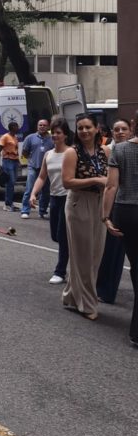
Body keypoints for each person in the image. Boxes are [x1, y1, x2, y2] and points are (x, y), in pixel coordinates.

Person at [61, 113, 108, 320]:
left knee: (95, 254)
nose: (84, 131)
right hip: (79, 203)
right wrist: (96, 180)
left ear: (97, 129)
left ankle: (71, 295)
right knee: (83, 256)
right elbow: (67, 182)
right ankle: (87, 304)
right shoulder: (72, 152)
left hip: (100, 203)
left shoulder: (105, 151)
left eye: (88, 127)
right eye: (80, 127)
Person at [102, 119, 138, 348]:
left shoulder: (121, 149)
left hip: (127, 211)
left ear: (134, 125)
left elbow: (111, 186)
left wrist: (105, 216)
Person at [30, 116, 71, 284]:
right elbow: (42, 177)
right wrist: (33, 193)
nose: (55, 135)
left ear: (65, 135)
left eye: (58, 132)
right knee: (55, 235)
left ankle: (60, 271)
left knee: (63, 236)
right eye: (53, 132)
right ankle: (72, 255)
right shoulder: (48, 154)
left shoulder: (71, 153)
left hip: (69, 199)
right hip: (54, 198)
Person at [96, 118, 131, 305]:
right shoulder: (105, 150)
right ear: (111, 132)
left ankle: (105, 290)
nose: (120, 132)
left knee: (117, 251)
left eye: (124, 129)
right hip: (109, 203)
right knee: (107, 250)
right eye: (116, 129)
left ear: (130, 130)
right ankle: (103, 289)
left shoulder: (130, 150)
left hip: (124, 206)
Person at [20, 119, 53, 218]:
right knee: (29, 189)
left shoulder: (52, 139)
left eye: (44, 125)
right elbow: (24, 152)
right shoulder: (30, 138)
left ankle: (42, 211)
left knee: (46, 191)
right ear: (37, 126)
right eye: (40, 125)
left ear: (48, 127)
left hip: (47, 168)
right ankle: (25, 210)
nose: (42, 127)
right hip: (33, 167)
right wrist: (32, 159)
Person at [0, 121, 21, 211]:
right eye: (16, 126)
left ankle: (11, 203)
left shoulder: (15, 137)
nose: (18, 128)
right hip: (7, 161)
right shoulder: (5, 137)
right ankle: (7, 204)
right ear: (12, 128)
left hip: (14, 161)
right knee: (10, 183)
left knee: (13, 182)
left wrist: (18, 161)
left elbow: (15, 150)